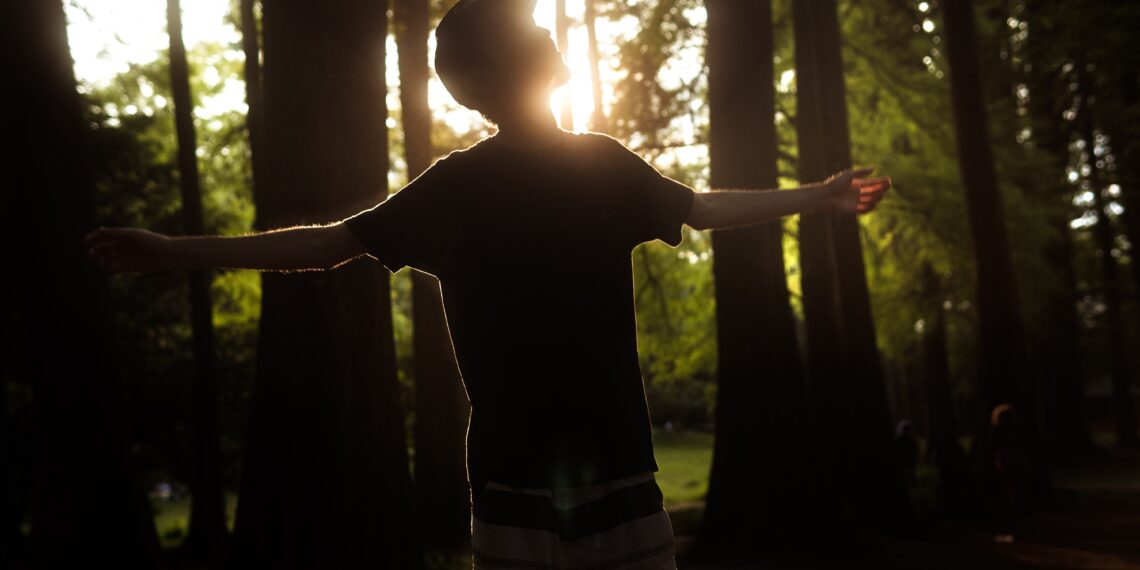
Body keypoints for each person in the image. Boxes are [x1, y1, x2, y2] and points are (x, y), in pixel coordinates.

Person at [82, 0, 891, 567]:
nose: (546, 28)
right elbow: (330, 246)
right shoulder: (463, 187)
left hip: (608, 471)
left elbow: (702, 208)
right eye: (531, 25)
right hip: (517, 483)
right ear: (500, 67)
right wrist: (174, 250)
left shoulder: (599, 167)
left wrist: (816, 197)